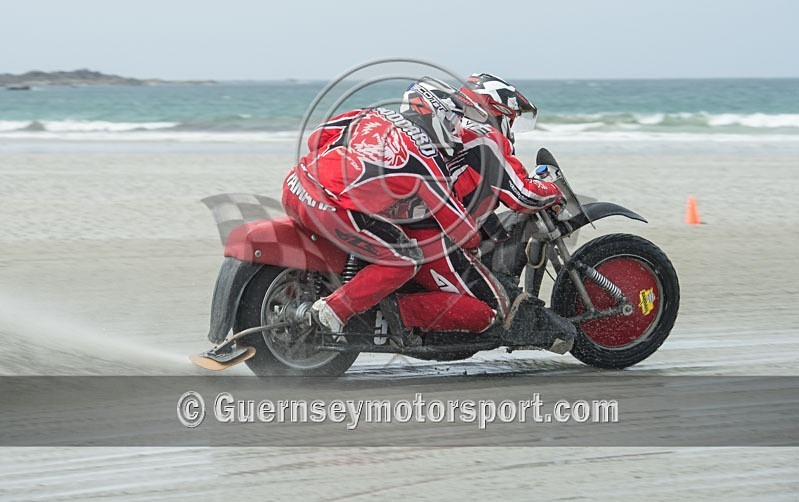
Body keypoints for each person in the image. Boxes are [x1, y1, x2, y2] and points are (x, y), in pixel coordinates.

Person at [281, 77, 487, 333]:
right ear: (435, 112)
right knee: (406, 260)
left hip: (295, 184)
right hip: (332, 209)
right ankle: (333, 311)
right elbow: (461, 228)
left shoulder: (373, 113)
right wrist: (477, 240)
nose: (457, 129)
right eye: (454, 120)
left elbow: (316, 138)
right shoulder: (426, 156)